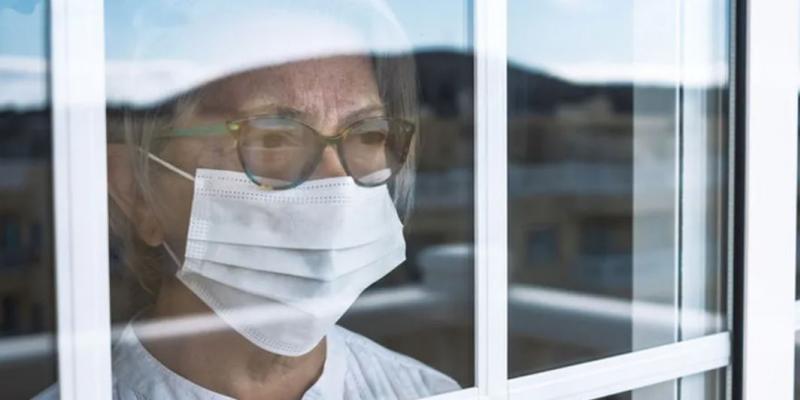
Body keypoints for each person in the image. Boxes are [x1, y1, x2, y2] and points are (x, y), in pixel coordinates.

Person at [35, 1, 459, 399]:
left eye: (369, 134)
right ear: (136, 191)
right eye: (273, 137)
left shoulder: (427, 392)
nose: (338, 183)